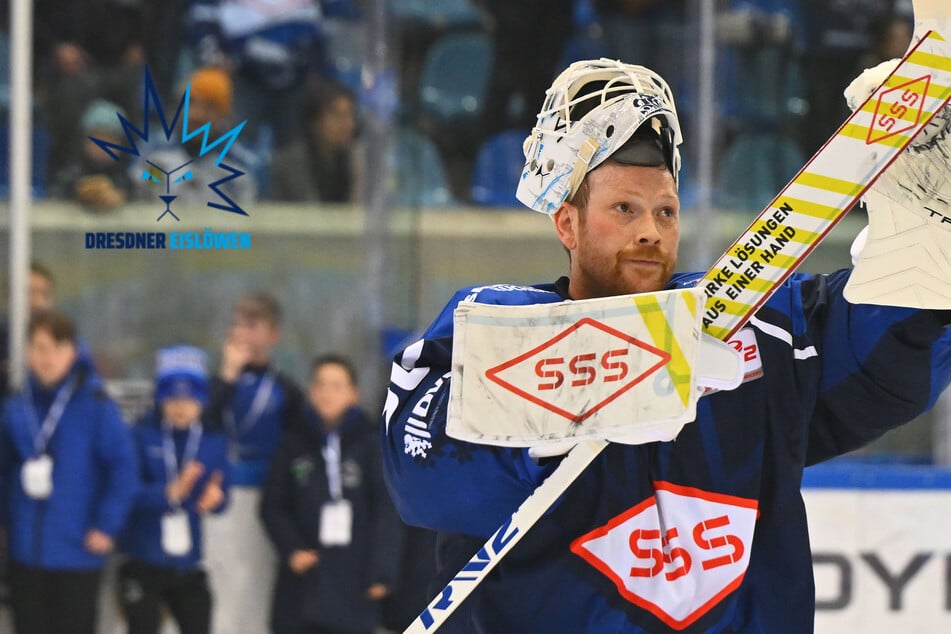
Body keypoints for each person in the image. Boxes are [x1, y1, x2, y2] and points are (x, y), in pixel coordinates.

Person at [380, 58, 951, 633]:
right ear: (567, 224)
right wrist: (606, 377)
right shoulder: (490, 329)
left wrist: (918, 265)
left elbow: (881, 370)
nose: (650, 229)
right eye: (624, 209)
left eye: (666, 211)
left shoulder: (750, 325)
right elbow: (420, 474)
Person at [0, 310, 138, 634]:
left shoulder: (97, 406)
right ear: (27, 352)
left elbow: (124, 469)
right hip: (26, 550)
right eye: (38, 348)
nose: (47, 358)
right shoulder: (15, 407)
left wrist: (106, 525)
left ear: (73, 352)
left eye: (56, 348)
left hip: (78, 549)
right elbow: (4, 471)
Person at [260, 354, 400, 634]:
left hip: (354, 580)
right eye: (321, 385)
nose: (327, 394)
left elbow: (387, 510)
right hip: (304, 580)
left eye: (337, 386)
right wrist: (292, 548)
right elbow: (272, 506)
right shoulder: (293, 442)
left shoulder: (371, 444)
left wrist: (382, 571)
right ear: (311, 391)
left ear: (353, 393)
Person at [202, 291, 305, 634]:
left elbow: (298, 448)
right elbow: (203, 425)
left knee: (256, 585)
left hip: (265, 500)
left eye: (253, 325)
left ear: (273, 335)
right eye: (237, 324)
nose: (242, 332)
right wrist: (226, 375)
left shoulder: (285, 389)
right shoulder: (217, 384)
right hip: (218, 496)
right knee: (217, 583)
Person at [118, 345, 230, 634]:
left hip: (188, 562)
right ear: (160, 397)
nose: (181, 406)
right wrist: (167, 493)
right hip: (142, 557)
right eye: (173, 397)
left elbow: (222, 488)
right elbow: (126, 493)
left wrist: (216, 500)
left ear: (203, 400)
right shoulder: (140, 435)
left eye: (190, 397)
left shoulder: (213, 441)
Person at [269, 79, 362, 203]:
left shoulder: (359, 161)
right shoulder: (288, 164)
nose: (347, 124)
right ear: (314, 121)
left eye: (350, 115)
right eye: (337, 115)